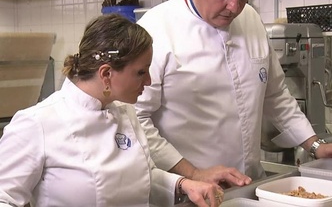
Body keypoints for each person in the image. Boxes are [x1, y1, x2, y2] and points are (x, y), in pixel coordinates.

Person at [134, 0, 332, 185]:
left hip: (248, 182)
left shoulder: (250, 19)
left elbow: (275, 95)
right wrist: (193, 173)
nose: (234, 7)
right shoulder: (155, 29)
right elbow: (136, 119)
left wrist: (314, 144)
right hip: (189, 190)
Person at [0, 14, 225, 207]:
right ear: (106, 74)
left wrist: (183, 185)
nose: (148, 81)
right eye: (141, 72)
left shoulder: (125, 112)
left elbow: (141, 176)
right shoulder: (36, 124)